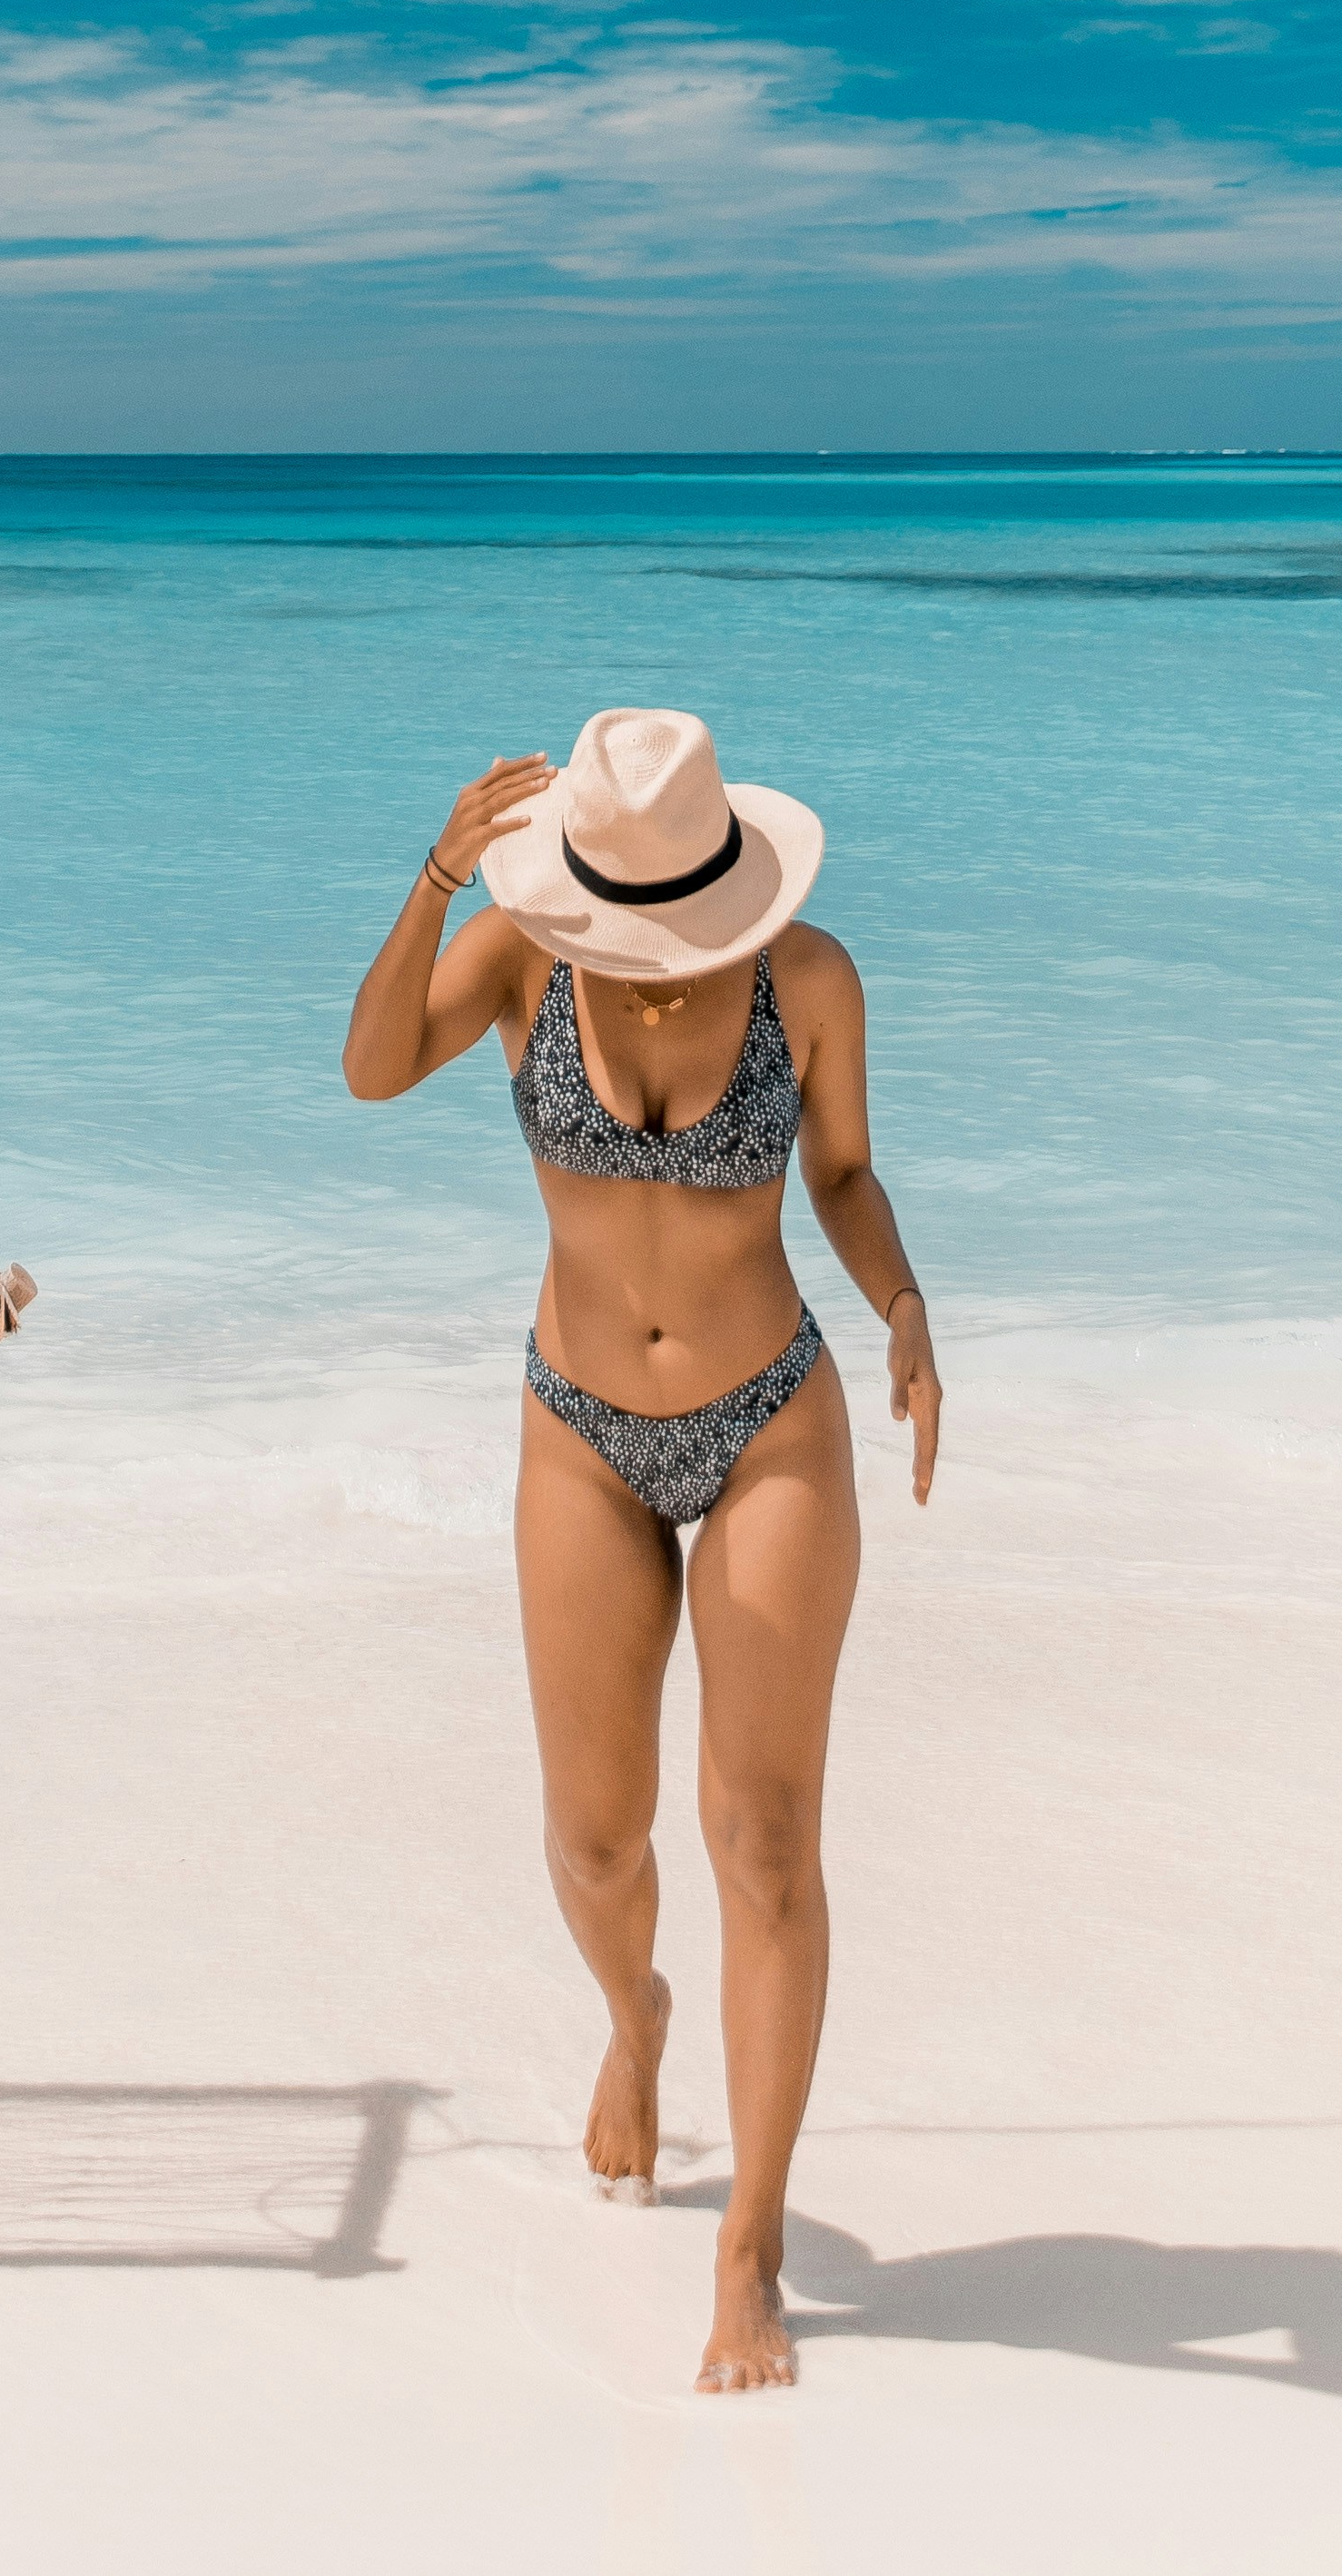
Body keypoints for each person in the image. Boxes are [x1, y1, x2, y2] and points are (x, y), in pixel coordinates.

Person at [341, 704, 942, 2395]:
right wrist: (430, 880)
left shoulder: (807, 981)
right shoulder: (524, 957)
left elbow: (842, 1169)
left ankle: (750, 2247)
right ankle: (634, 2020)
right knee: (597, 1847)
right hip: (580, 1432)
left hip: (770, 1419)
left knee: (761, 1839)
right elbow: (372, 1068)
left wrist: (901, 1303)